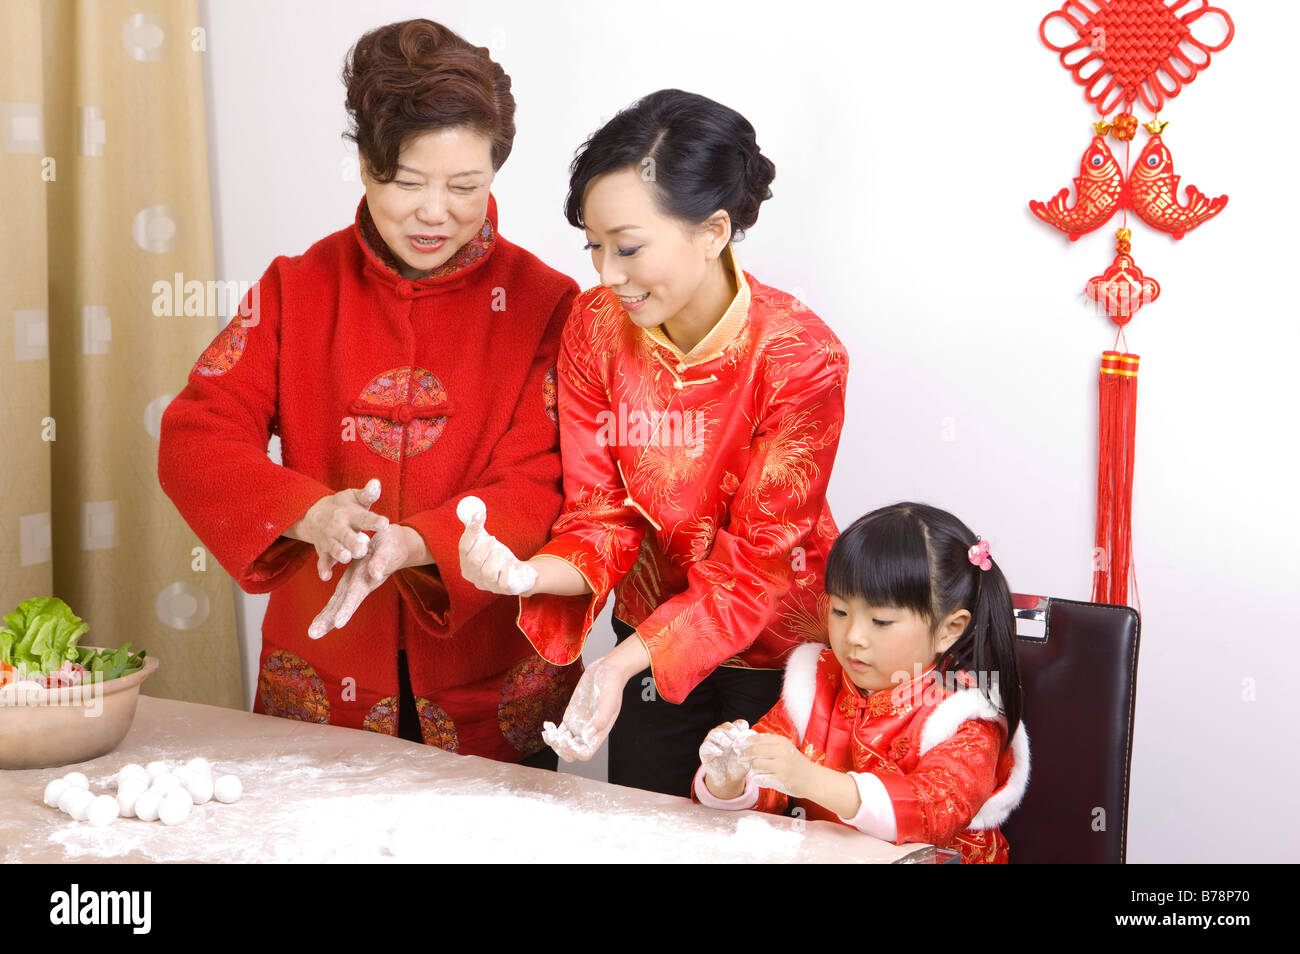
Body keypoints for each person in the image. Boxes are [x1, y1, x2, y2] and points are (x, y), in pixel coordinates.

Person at [158, 19, 579, 767]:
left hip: (488, 684)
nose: (434, 211)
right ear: (363, 163)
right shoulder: (295, 288)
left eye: (466, 187)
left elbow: (544, 478)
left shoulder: (547, 302)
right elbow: (198, 436)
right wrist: (307, 512)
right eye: (407, 182)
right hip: (323, 668)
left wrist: (420, 543)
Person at [458, 89, 849, 797]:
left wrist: (615, 665)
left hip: (777, 649)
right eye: (595, 248)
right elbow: (600, 514)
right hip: (646, 642)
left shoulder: (800, 358)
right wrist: (526, 575)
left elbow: (752, 574)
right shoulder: (595, 328)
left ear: (713, 231)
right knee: (645, 827)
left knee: (756, 838)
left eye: (628, 248)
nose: (607, 275)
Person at [693, 502, 1031, 864]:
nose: (853, 635)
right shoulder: (816, 681)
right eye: (840, 611)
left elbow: (932, 811)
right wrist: (730, 780)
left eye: (880, 621)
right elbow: (772, 782)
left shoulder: (963, 713)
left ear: (949, 629)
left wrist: (809, 780)